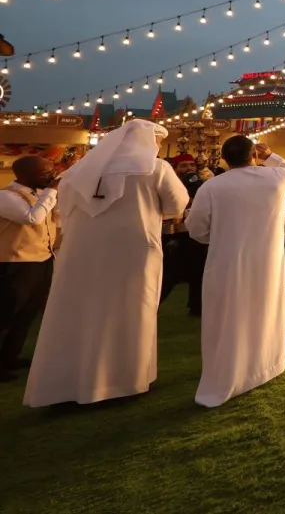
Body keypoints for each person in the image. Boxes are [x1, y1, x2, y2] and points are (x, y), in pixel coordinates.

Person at [24, 121, 189, 407]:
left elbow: (62, 211)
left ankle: (68, 384)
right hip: (133, 254)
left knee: (81, 313)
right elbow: (176, 206)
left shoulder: (75, 173)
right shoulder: (155, 168)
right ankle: (123, 382)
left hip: (81, 255)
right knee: (129, 313)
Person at [187, 136, 285, 408]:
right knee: (263, 309)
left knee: (228, 315)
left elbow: (197, 229)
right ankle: (263, 365)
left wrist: (223, 236)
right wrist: (272, 157)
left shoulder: (213, 186)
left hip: (227, 261)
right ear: (253, 155)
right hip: (266, 261)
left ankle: (233, 371)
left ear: (223, 159)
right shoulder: (275, 179)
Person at [0, 155, 60, 382]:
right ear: (24, 175)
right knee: (5, 315)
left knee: (26, 315)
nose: (51, 176)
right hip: (14, 263)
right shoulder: (6, 196)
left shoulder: (40, 195)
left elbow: (56, 221)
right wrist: (52, 192)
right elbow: (32, 218)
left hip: (41, 261)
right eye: (45, 172)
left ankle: (10, 357)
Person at [160, 153, 210, 316]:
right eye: (184, 165)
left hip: (194, 233)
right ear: (175, 168)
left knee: (198, 271)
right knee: (170, 273)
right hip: (172, 234)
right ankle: (150, 306)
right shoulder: (168, 183)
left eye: (191, 165)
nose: (188, 168)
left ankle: (197, 307)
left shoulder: (202, 183)